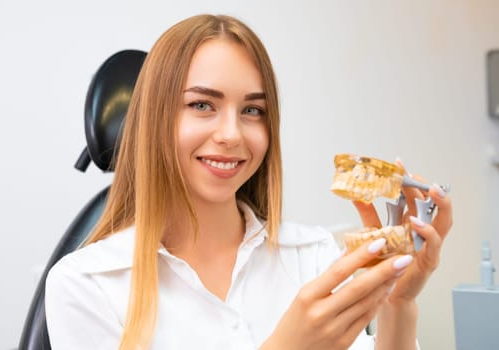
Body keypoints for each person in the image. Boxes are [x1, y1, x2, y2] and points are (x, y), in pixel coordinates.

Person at [45, 14, 452, 350]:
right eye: (202, 104)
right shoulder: (86, 285)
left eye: (253, 110)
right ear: (155, 119)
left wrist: (397, 303)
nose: (232, 134)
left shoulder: (310, 256)